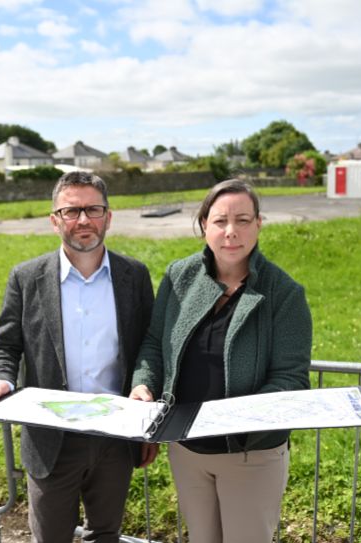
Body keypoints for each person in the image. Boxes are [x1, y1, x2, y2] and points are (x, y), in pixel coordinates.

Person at [130, 179, 312, 543]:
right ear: (203, 227)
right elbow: (154, 342)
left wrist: (240, 417)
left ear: (259, 224)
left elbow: (291, 377)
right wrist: (143, 383)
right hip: (188, 450)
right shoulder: (179, 277)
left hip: (251, 454)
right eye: (219, 221)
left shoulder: (284, 293)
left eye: (243, 220)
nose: (231, 232)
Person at [0, 171, 155, 543]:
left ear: (108, 217)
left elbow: (148, 346)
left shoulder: (134, 276)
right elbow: (3, 344)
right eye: (71, 210)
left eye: (93, 209)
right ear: (54, 220)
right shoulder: (27, 278)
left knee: (105, 534)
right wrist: (2, 378)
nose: (83, 220)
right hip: (51, 437)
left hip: (115, 434)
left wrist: (144, 386)